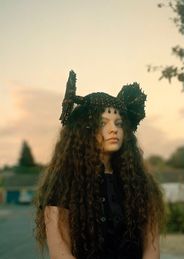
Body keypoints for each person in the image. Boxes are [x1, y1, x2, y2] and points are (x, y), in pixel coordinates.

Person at [34, 70, 165, 259]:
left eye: (118, 123)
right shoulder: (62, 184)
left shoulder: (140, 183)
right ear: (84, 130)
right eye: (103, 123)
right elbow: (60, 253)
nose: (114, 129)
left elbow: (152, 248)